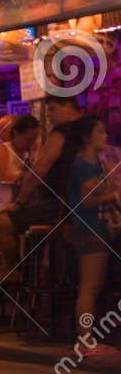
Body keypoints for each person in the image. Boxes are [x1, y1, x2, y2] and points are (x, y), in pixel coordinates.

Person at [0, 99, 87, 281]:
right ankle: (40, 275)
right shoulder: (92, 129)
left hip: (62, 207)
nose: (49, 115)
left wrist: (20, 202)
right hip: (87, 207)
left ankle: (15, 271)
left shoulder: (62, 132)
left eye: (52, 109)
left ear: (68, 106)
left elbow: (41, 167)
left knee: (3, 222)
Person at [67, 116, 116, 344]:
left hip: (98, 228)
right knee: (89, 287)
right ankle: (85, 339)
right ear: (87, 137)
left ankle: (88, 337)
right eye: (100, 132)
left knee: (93, 287)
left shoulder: (97, 163)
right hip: (88, 229)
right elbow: (87, 200)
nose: (105, 136)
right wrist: (113, 194)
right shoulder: (83, 165)